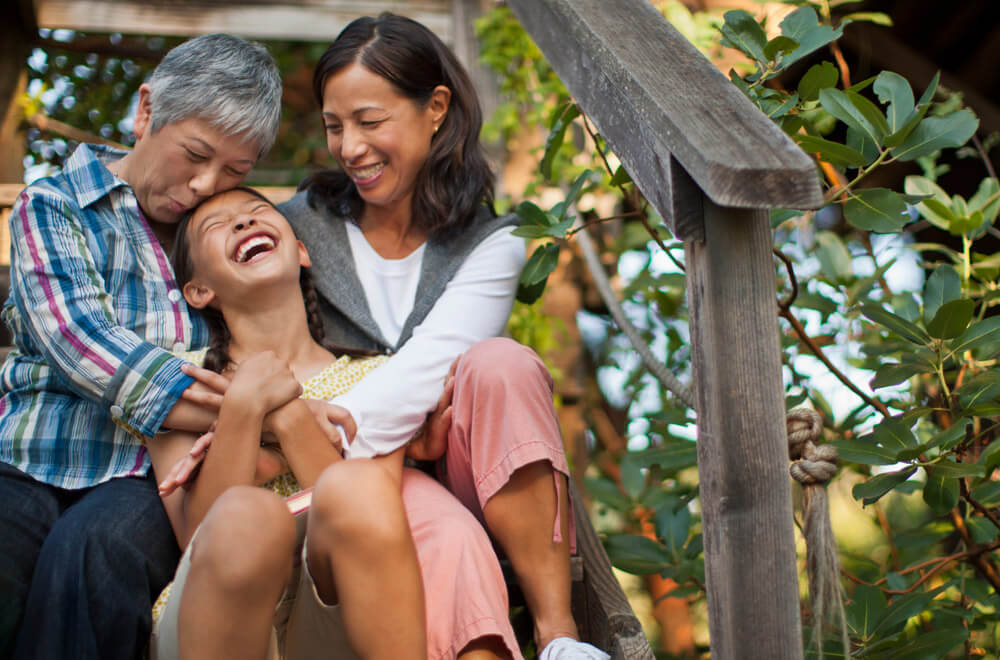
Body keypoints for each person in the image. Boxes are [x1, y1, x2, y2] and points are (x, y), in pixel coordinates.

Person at [277, 13, 611, 660]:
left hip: (457, 468)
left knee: (501, 364)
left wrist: (358, 417)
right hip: (346, 487)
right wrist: (401, 437)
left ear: (435, 109)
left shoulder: (493, 243)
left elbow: (434, 364)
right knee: (435, 524)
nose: (349, 148)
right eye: (334, 126)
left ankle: (558, 636)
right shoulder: (300, 228)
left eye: (370, 122)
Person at [0, 34, 281, 659]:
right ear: (147, 111)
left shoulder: (213, 238)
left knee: (98, 552)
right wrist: (257, 411)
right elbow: (80, 342)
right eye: (195, 154)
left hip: (147, 472)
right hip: (27, 456)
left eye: (235, 172)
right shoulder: (55, 204)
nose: (205, 185)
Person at [150, 186, 520, 660]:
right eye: (217, 226)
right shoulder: (181, 379)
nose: (243, 222)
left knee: (361, 485)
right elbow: (197, 532)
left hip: (329, 610)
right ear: (200, 290)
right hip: (216, 616)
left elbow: (364, 519)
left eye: (258, 212)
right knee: (249, 517)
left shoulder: (382, 380)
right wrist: (244, 402)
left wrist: (285, 412)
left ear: (301, 251)